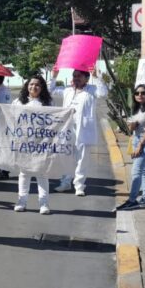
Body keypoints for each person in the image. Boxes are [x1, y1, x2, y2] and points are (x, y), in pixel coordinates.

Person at [49, 68, 108, 196]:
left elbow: (103, 93)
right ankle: (65, 182)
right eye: (74, 76)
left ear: (86, 78)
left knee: (82, 159)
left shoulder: (92, 90)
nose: (76, 78)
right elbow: (50, 90)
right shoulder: (67, 90)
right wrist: (54, 77)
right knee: (66, 157)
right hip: (67, 130)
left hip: (84, 129)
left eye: (79, 76)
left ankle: (79, 185)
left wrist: (96, 77)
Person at [12, 76, 53, 214]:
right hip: (24, 144)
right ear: (26, 86)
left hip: (41, 144)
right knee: (24, 173)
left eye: (37, 85)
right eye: (31, 84)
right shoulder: (18, 102)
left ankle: (44, 203)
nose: (33, 87)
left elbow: (54, 122)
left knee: (42, 173)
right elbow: (10, 118)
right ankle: (21, 201)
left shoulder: (47, 104)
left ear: (42, 88)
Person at [116, 85, 145, 211]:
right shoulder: (137, 108)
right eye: (137, 93)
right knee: (144, 170)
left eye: (143, 93)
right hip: (136, 140)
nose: (140, 95)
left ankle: (132, 200)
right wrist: (133, 125)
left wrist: (140, 144)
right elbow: (130, 129)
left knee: (136, 171)